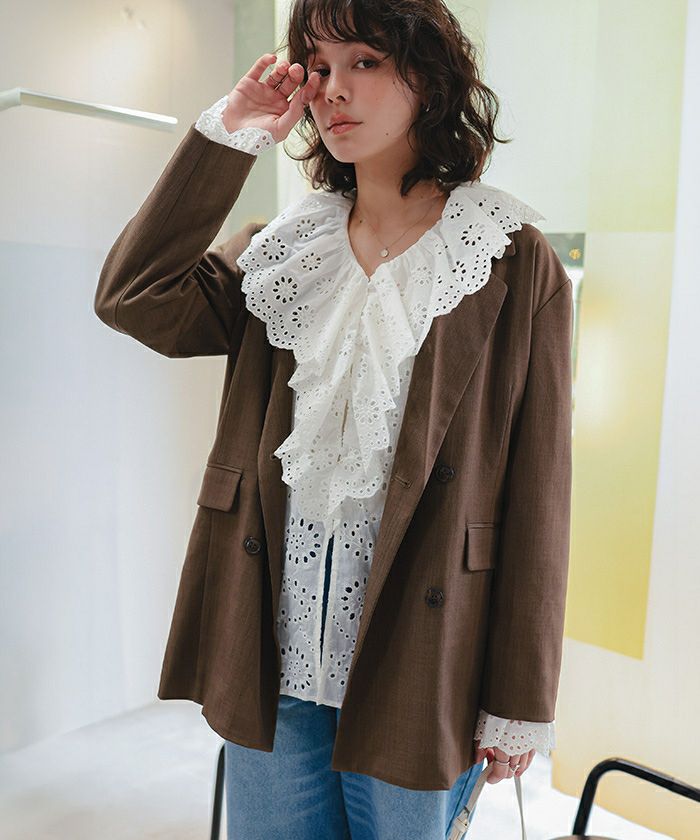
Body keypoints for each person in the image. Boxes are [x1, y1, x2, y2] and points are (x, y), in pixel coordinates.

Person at [94, 1, 573, 837]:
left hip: (423, 662)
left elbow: (541, 493)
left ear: (426, 77)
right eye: (317, 66)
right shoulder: (281, 249)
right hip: (271, 653)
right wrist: (232, 133)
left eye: (364, 62)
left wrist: (519, 698)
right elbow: (133, 296)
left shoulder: (509, 256)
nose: (332, 90)